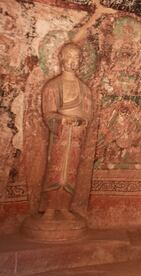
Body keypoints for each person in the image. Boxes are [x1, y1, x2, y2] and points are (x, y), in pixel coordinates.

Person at [40, 42, 93, 220]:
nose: (72, 61)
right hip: (60, 136)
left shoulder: (84, 89)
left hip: (76, 136)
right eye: (69, 57)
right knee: (55, 169)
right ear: (62, 59)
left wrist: (81, 121)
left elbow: (87, 113)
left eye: (76, 58)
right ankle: (49, 207)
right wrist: (62, 120)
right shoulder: (53, 86)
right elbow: (48, 113)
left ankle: (64, 207)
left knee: (71, 171)